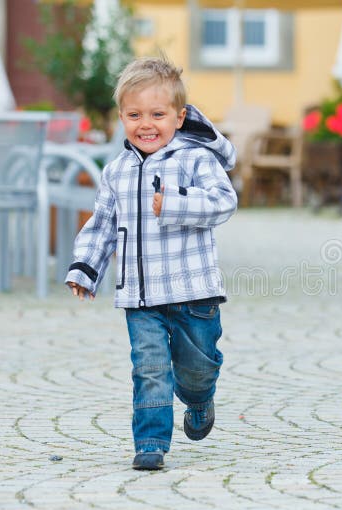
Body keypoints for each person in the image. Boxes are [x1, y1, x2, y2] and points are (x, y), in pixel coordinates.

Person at [65, 56, 238, 471]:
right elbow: (103, 224)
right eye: (134, 114)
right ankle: (151, 442)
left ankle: (198, 398)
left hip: (194, 293)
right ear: (121, 117)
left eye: (158, 114)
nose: (146, 124)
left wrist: (176, 205)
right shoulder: (116, 171)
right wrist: (85, 267)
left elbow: (224, 201)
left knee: (197, 370)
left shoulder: (196, 160)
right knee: (149, 368)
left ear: (179, 118)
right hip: (140, 297)